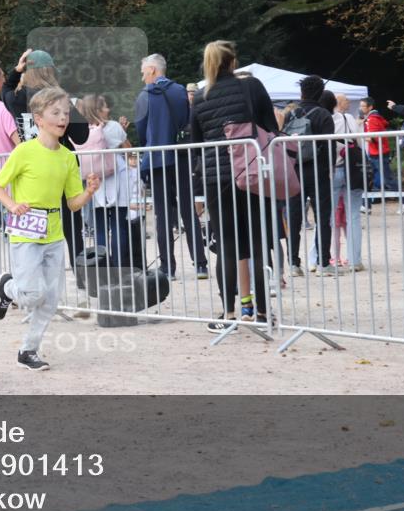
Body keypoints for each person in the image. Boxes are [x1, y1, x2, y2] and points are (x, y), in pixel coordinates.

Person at [0, 87, 101, 371]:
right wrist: (12, 205)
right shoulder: (24, 152)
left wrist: (88, 192)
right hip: (25, 231)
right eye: (56, 113)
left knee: (50, 300)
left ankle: (28, 350)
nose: (63, 118)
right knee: (29, 294)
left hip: (53, 232)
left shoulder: (67, 157)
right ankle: (7, 287)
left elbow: (73, 204)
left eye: (65, 113)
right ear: (38, 119)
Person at [190, 40, 279, 329]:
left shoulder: (201, 96)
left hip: (217, 178)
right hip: (251, 172)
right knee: (257, 241)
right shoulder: (251, 86)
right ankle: (263, 311)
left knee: (227, 244)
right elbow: (270, 126)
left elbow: (195, 141)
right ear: (233, 61)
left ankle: (229, 312)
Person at [1, 50, 87, 270]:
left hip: (30, 164)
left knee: (33, 217)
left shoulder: (16, 98)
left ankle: (31, 271)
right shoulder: (60, 100)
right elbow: (81, 136)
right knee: (70, 221)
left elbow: (5, 91)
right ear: (51, 71)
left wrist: (16, 70)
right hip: (59, 161)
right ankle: (79, 272)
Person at [135, 53, 208, 279]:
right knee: (188, 211)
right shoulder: (180, 92)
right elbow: (189, 120)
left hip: (157, 159)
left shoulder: (144, 95)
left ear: (153, 70)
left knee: (163, 214)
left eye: (144, 72)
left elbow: (140, 130)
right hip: (182, 156)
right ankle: (201, 264)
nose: (142, 77)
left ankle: (168, 267)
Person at [284, 75, 336, 276]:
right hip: (319, 171)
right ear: (320, 92)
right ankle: (323, 262)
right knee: (322, 217)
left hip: (295, 171)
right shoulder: (323, 114)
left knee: (294, 217)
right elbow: (330, 146)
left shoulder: (292, 113)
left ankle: (294, 263)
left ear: (302, 92)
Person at [79, 94, 132, 267]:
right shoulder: (113, 127)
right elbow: (129, 149)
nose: (108, 110)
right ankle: (119, 265)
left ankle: (104, 266)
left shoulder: (82, 131)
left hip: (95, 180)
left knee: (100, 228)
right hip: (116, 177)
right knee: (119, 226)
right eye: (105, 107)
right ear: (98, 110)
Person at [330, 92, 364, 270]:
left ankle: (318, 257)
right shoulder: (349, 118)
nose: (349, 102)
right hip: (352, 169)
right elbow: (359, 141)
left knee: (328, 216)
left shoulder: (327, 118)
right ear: (339, 103)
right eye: (346, 100)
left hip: (333, 169)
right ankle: (354, 259)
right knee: (353, 216)